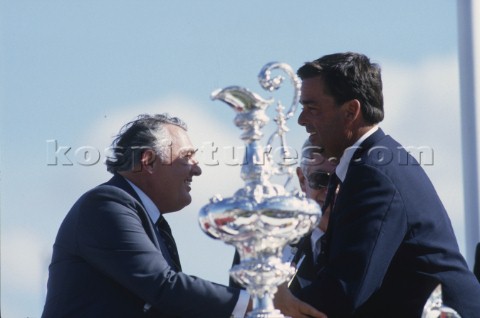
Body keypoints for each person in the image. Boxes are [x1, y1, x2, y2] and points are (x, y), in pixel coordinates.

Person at [41, 113, 324, 318]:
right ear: (148, 161)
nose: (197, 169)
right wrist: (262, 301)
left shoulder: (145, 218)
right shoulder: (106, 205)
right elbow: (164, 287)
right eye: (187, 157)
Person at [292, 52, 480, 317]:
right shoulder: (374, 162)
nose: (301, 120)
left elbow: (341, 295)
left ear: (350, 112)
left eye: (312, 109)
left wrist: (266, 302)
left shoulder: (373, 173)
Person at [288, 139, 337, 295]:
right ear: (303, 180)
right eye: (322, 179)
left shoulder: (378, 245)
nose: (334, 191)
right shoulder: (266, 243)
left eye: (346, 181)